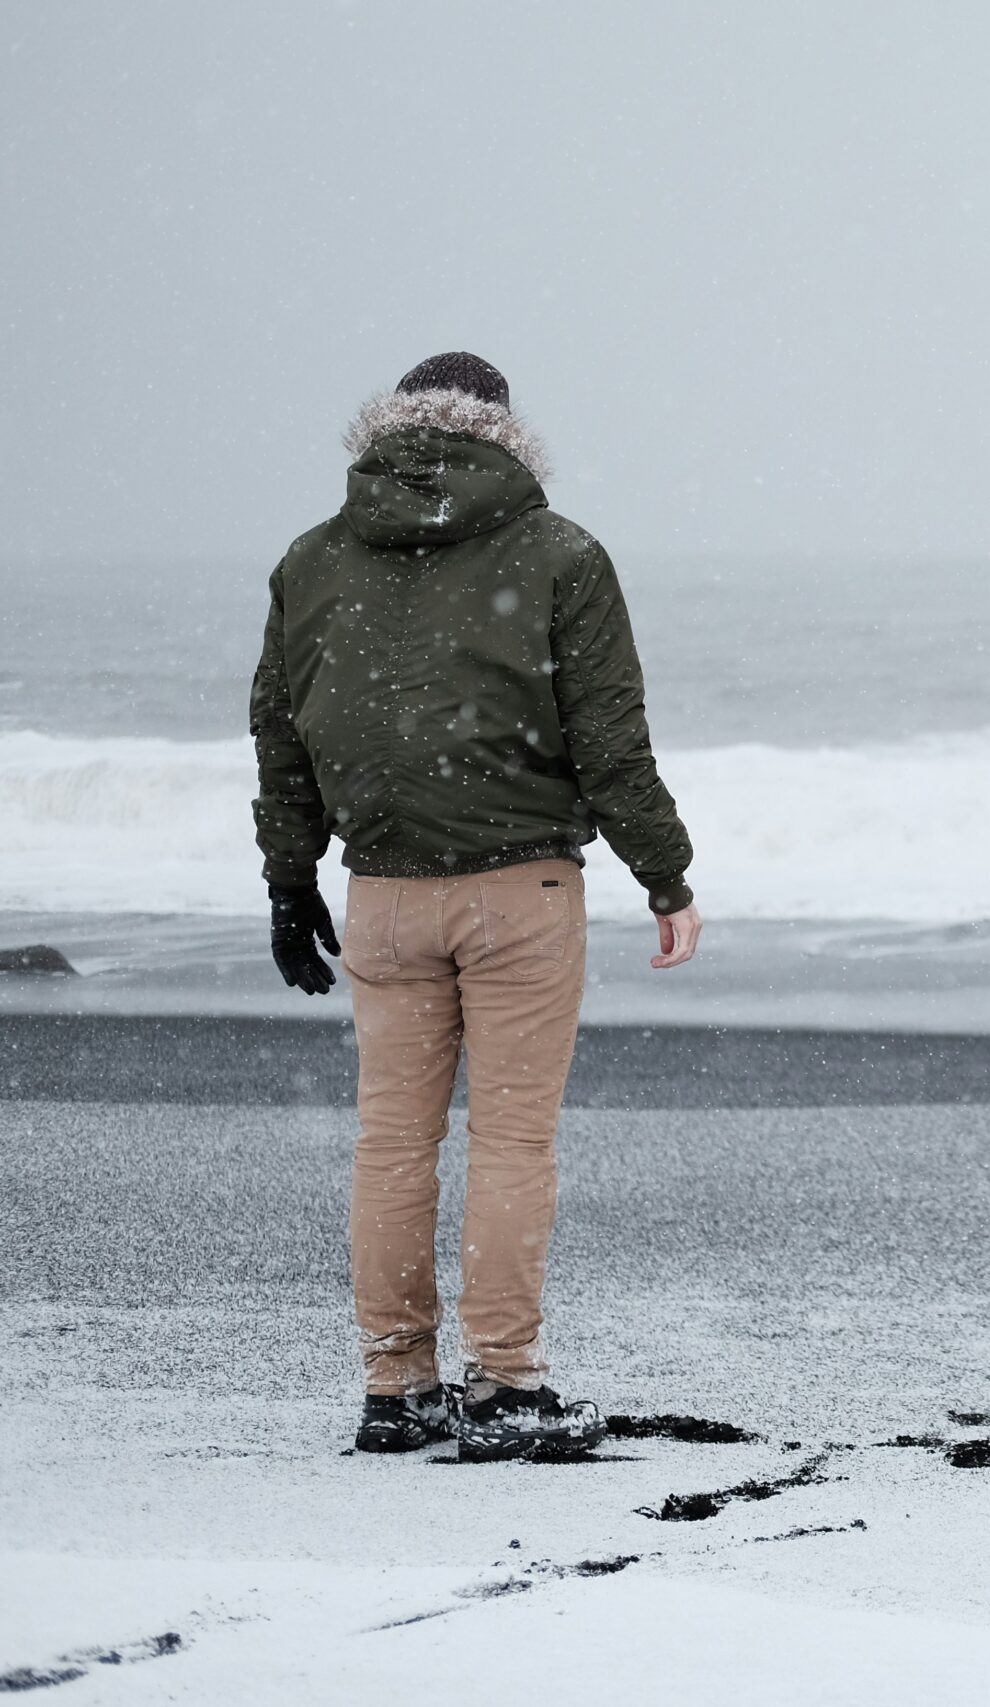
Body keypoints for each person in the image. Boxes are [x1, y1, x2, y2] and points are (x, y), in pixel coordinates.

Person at [251, 352, 702, 1461]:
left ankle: (397, 1388)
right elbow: (608, 741)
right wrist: (667, 875)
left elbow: (283, 732)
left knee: (391, 1146)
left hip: (384, 895)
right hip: (521, 890)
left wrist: (288, 878)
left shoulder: (314, 561)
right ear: (502, 433)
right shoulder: (557, 554)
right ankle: (505, 1387)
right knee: (509, 1143)